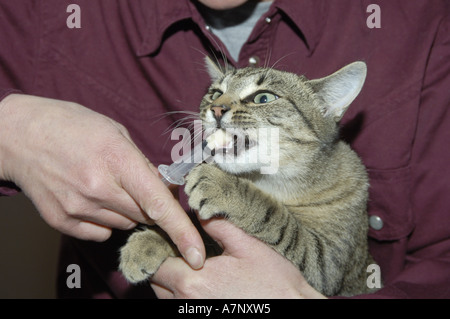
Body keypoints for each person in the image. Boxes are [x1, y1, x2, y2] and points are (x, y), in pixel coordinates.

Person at [0, 0, 449, 299]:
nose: (220, 108)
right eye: (216, 94)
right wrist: (11, 130)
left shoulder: (424, 21)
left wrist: (242, 207)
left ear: (329, 110)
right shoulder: (45, 14)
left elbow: (328, 272)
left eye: (261, 98)